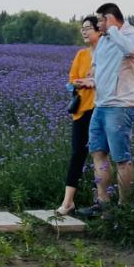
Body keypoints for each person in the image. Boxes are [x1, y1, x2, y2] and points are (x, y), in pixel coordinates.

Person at [78, 2, 134, 218]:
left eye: (100, 20)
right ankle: (103, 202)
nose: (98, 25)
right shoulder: (105, 42)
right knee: (98, 153)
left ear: (110, 18)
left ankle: (125, 208)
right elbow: (98, 68)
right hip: (101, 104)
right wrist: (89, 81)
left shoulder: (132, 39)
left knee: (121, 158)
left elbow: (127, 50)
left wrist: (114, 29)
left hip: (120, 106)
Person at [57, 14, 101, 215]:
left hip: (100, 109)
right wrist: (86, 81)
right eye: (82, 28)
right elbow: (72, 79)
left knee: (99, 155)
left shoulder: (105, 54)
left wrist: (92, 82)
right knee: (77, 154)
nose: (84, 31)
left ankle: (98, 201)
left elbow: (106, 80)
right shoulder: (81, 55)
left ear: (99, 30)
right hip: (82, 110)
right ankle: (68, 202)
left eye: (88, 27)